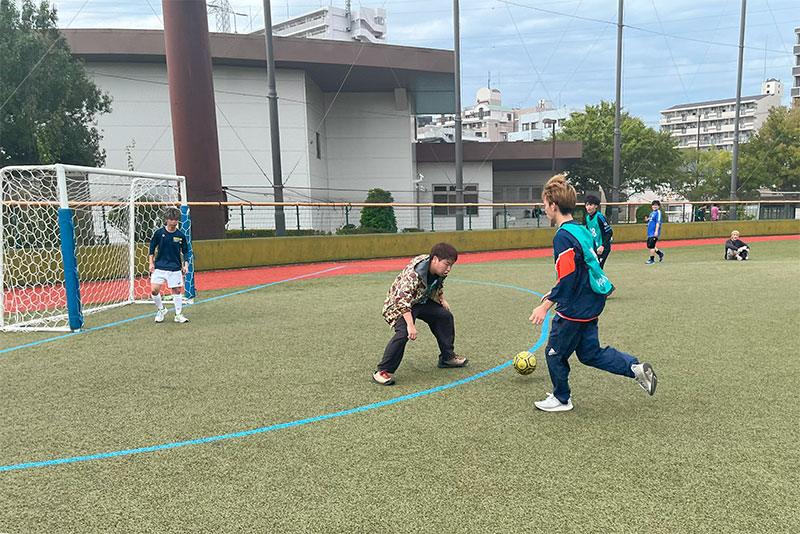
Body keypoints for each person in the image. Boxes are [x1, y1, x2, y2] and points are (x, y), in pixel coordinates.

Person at [529, 174, 656, 412]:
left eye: (544, 205)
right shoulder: (580, 228)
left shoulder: (562, 236)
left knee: (554, 353)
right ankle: (634, 368)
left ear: (553, 205)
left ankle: (561, 398)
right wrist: (555, 291)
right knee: (590, 353)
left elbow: (568, 277)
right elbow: (584, 265)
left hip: (576, 305)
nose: (544, 209)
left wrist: (546, 306)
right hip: (593, 298)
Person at [373, 242, 467, 385]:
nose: (449, 269)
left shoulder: (438, 268)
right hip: (398, 304)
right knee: (403, 332)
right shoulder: (413, 275)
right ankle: (381, 371)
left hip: (420, 301)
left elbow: (436, 284)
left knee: (445, 316)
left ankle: (447, 358)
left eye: (451, 265)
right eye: (447, 264)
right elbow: (402, 300)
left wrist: (441, 299)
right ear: (435, 259)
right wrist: (410, 324)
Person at [149, 207, 191, 323]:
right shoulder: (159, 233)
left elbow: (186, 251)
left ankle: (178, 315)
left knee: (177, 291)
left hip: (175, 268)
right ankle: (161, 309)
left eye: (176, 220)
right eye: (172, 219)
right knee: (154, 290)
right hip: (160, 267)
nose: (174, 222)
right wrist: (151, 263)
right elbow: (152, 247)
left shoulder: (180, 235)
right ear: (166, 219)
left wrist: (186, 265)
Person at [584, 195, 613, 269]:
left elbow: (609, 232)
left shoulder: (599, 217)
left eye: (591, 205)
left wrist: (603, 246)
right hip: (595, 247)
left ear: (596, 205)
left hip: (603, 248)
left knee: (598, 268)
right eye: (587, 205)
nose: (589, 207)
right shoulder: (587, 218)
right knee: (591, 268)